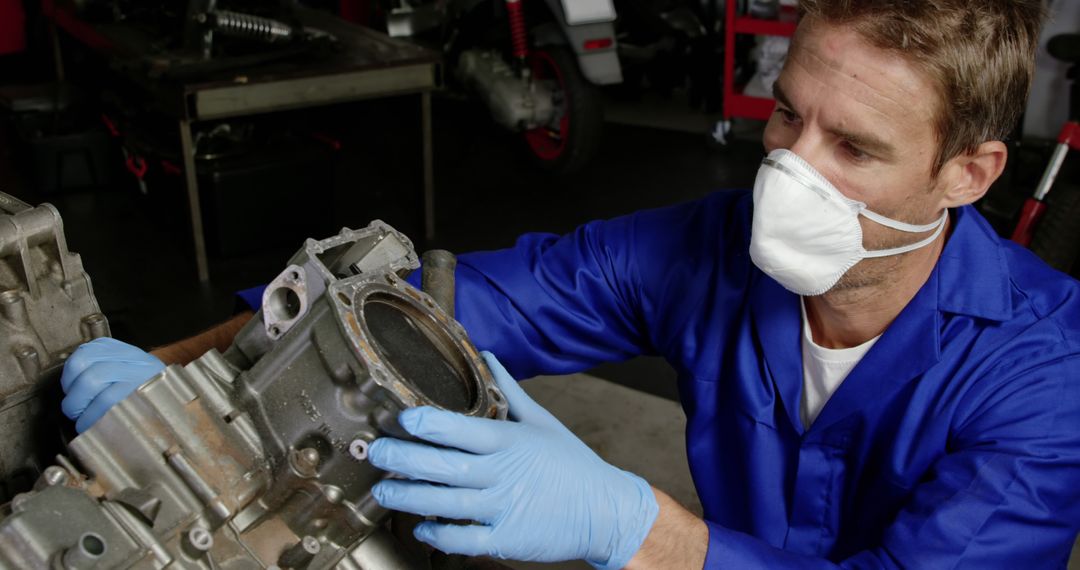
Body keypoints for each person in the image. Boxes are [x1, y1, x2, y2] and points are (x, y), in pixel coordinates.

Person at [60, 0, 1080, 567]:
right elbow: (446, 302)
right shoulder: (708, 248)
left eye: (854, 148)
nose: (791, 173)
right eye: (786, 118)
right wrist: (175, 382)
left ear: (966, 175)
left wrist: (634, 527)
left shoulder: (1050, 378)